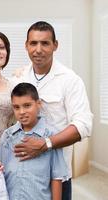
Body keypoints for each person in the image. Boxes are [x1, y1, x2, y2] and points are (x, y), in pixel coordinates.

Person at [12, 21, 93, 200]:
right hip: (23, 170)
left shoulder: (70, 80)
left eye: (45, 43)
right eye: (33, 43)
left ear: (55, 45)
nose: (38, 49)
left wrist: (46, 144)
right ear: (26, 45)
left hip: (57, 173)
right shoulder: (18, 78)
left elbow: (83, 125)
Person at [0, 82, 68, 200]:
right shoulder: (8, 135)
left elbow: (56, 177)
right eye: (16, 107)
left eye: (27, 105)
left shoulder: (51, 136)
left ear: (38, 104)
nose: (22, 112)